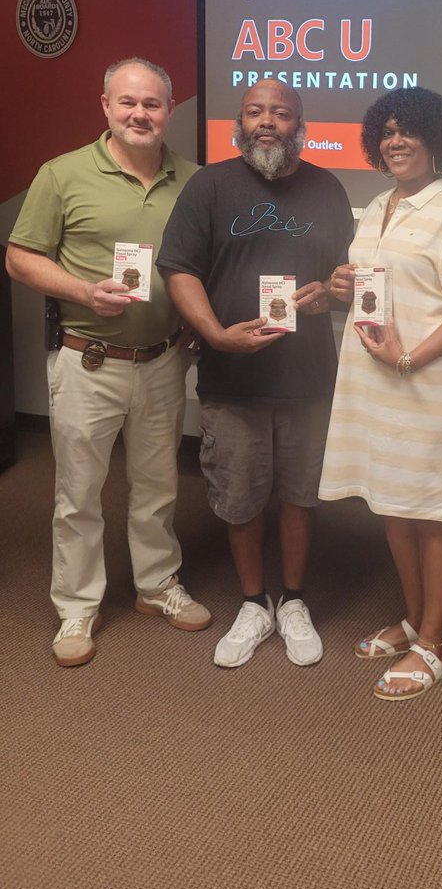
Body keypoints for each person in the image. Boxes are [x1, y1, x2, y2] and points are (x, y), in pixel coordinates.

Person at [6, 58, 211, 666]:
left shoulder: (195, 181)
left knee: (158, 484)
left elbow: (203, 266)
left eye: (151, 104)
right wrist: (82, 291)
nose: (139, 114)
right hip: (88, 359)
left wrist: (200, 324)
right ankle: (76, 607)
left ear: (168, 110)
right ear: (105, 106)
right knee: (78, 493)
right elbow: (20, 258)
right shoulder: (62, 175)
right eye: (128, 103)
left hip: (163, 359)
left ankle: (156, 586)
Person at [157, 79, 353, 668]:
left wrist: (331, 295)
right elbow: (178, 269)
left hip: (308, 376)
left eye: (282, 113)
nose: (268, 121)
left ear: (301, 124)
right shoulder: (209, 185)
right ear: (240, 123)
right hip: (231, 378)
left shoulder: (328, 188)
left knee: (299, 496)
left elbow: (347, 278)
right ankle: (253, 603)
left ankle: (292, 600)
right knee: (239, 498)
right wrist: (215, 333)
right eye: (256, 112)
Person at [319, 87, 442, 701]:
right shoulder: (378, 206)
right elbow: (377, 285)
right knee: (395, 504)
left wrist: (409, 356)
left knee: (434, 512)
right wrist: (343, 282)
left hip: (430, 382)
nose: (396, 140)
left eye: (409, 130)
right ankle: (416, 621)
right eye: (387, 131)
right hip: (378, 379)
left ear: (437, 140)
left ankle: (436, 643)